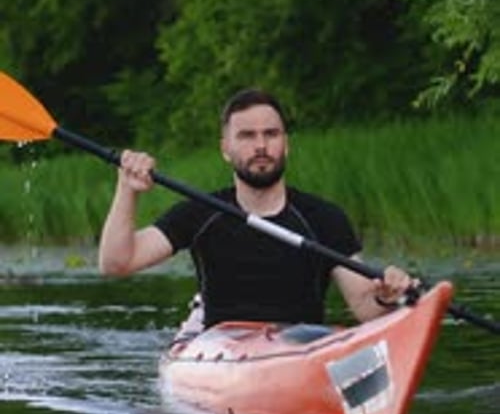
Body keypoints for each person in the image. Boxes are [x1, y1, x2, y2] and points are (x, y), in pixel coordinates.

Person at [98, 88, 417, 331]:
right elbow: (116, 262)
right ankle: (199, 314)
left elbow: (364, 305)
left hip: (300, 346)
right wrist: (127, 190)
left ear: (286, 143)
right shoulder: (201, 213)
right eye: (247, 136)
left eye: (271, 134)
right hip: (222, 350)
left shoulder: (324, 218)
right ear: (226, 148)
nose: (261, 146)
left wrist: (386, 297)